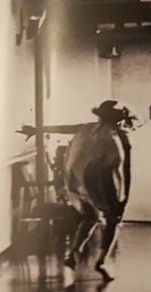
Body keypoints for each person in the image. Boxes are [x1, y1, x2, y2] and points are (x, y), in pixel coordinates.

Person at [20, 100, 140, 277]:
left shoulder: (87, 128)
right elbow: (122, 168)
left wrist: (37, 130)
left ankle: (73, 254)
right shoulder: (116, 137)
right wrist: (124, 195)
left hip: (79, 182)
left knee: (90, 217)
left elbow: (63, 128)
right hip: (103, 181)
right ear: (120, 120)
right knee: (113, 220)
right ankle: (101, 261)